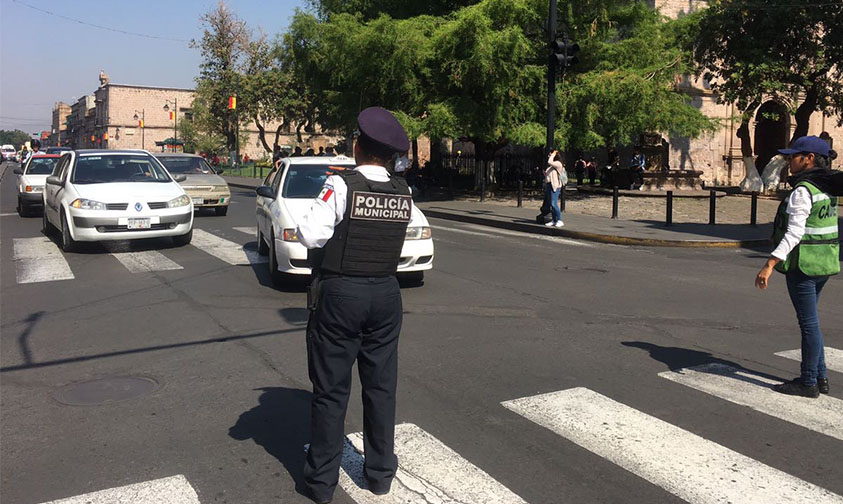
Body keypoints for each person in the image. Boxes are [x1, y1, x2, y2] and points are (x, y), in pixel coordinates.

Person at [297, 106, 412, 503]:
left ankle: (321, 484)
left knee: (331, 391)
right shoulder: (403, 191)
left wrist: (328, 193)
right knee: (381, 389)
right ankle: (380, 475)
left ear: (359, 147)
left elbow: (310, 236)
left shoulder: (342, 186)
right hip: (386, 293)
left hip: (342, 294)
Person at [755, 135, 843, 398]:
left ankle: (808, 382)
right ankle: (821, 376)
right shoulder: (826, 187)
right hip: (824, 262)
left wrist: (770, 264)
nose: (788, 160)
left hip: (803, 266)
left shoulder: (804, 191)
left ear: (809, 159)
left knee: (808, 324)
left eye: (793, 156)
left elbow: (794, 233)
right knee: (812, 322)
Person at [544, 149, 565, 227]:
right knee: (551, 204)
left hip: (555, 185)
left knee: (554, 203)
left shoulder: (558, 163)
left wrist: (553, 154)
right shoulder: (551, 166)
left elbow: (549, 161)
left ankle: (559, 220)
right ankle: (554, 220)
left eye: (550, 154)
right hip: (549, 185)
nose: (549, 156)